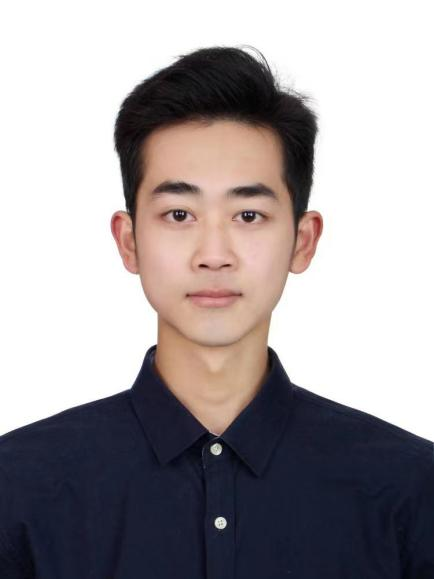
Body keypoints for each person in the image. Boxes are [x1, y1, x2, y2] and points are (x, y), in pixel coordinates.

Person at [0, 45, 433, 578]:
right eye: (179, 214)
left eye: (248, 215)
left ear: (302, 241)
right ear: (129, 241)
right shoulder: (18, 488)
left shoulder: (410, 489)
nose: (213, 254)